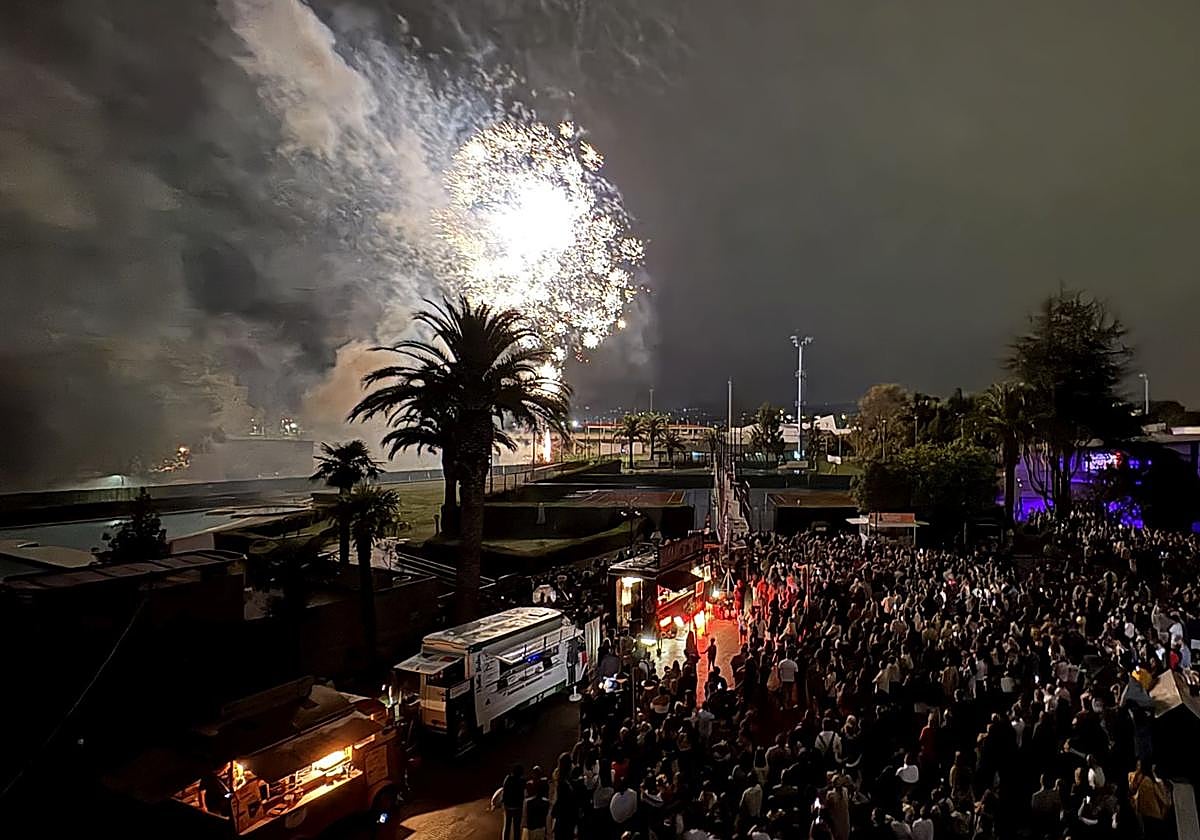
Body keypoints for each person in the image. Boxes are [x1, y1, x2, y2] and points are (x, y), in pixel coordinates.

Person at [502, 764, 526, 840]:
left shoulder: (508, 779)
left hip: (508, 806)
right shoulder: (521, 781)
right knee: (517, 828)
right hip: (517, 807)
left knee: (507, 826)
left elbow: (504, 792)